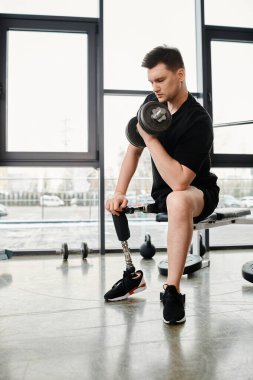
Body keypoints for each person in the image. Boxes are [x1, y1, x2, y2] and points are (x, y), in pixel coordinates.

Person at [104, 46, 219, 324]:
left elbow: (180, 181)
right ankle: (133, 277)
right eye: (151, 82)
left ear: (180, 75)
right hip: (163, 192)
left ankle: (173, 291)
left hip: (197, 192)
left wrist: (152, 139)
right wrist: (119, 192)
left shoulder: (198, 120)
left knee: (177, 199)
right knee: (117, 204)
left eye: (160, 80)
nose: (155, 87)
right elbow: (134, 149)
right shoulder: (151, 103)